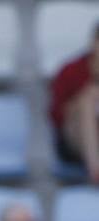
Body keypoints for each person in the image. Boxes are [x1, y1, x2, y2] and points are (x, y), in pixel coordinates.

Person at [50, 23, 99, 184]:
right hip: (74, 140)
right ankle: (95, 169)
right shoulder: (70, 71)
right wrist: (79, 104)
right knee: (87, 99)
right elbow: (56, 116)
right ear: (94, 42)